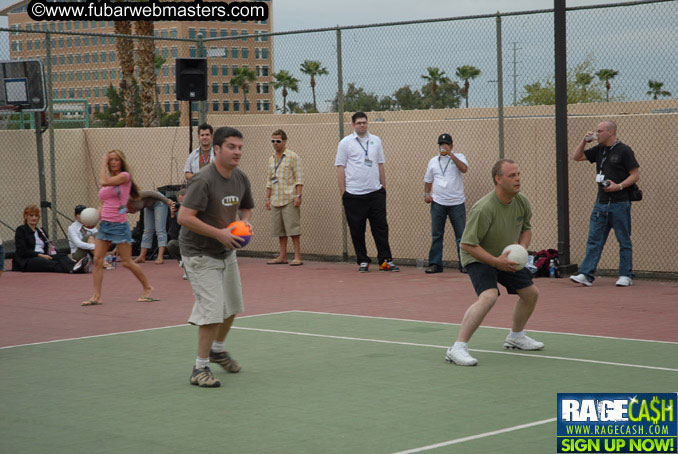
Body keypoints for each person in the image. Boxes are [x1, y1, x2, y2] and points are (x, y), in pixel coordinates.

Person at [445, 159, 543, 367]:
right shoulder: (484, 208)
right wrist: (496, 262)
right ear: (498, 179)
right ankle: (457, 348)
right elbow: (467, 244)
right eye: (511, 176)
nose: (517, 179)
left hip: (505, 257)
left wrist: (522, 250)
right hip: (479, 256)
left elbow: (526, 228)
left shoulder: (521, 201)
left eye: (518, 174)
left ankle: (516, 337)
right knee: (489, 296)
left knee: (530, 293)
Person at [178, 126, 254, 388]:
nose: (237, 152)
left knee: (232, 305)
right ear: (217, 150)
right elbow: (184, 218)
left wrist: (244, 224)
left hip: (226, 251)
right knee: (211, 311)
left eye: (240, 147)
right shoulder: (203, 180)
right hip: (199, 254)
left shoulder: (240, 178)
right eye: (232, 147)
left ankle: (218, 350)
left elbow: (246, 207)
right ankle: (199, 369)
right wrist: (220, 233)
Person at [569, 121, 640, 288]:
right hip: (601, 203)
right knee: (594, 240)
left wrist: (619, 186)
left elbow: (635, 175)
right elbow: (576, 157)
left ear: (610, 132)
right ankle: (586, 275)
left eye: (600, 131)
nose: (596, 133)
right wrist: (584, 141)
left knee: (623, 240)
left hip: (620, 203)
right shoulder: (599, 149)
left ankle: (625, 275)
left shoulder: (624, 151)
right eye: (596, 131)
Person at [81, 150, 156, 306]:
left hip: (119, 225)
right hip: (105, 225)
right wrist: (95, 218)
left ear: (121, 162)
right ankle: (96, 296)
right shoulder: (109, 180)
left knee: (127, 262)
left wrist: (102, 162)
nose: (113, 162)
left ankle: (148, 288)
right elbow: (103, 202)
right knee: (97, 259)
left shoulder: (124, 177)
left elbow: (103, 181)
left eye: (116, 159)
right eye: (111, 160)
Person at [335, 112, 399, 273]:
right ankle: (363, 261)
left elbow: (380, 164)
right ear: (353, 125)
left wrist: (383, 188)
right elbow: (340, 167)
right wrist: (344, 192)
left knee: (381, 228)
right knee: (357, 229)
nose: (362, 125)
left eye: (364, 122)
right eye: (359, 123)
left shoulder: (376, 140)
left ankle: (385, 260)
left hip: (375, 193)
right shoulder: (345, 143)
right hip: (354, 195)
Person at [424, 133, 468, 274]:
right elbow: (428, 179)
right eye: (441, 144)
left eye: (446, 144)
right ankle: (435, 264)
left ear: (452, 145)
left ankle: (464, 264)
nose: (443, 147)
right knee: (437, 235)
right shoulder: (433, 161)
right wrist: (426, 194)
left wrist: (451, 155)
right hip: (438, 203)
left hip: (456, 203)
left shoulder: (459, 157)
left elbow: (464, 169)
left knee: (461, 235)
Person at [265, 129, 304, 266]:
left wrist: (298, 195)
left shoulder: (293, 157)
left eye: (278, 141)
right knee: (279, 230)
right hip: (276, 199)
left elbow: (299, 178)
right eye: (273, 141)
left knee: (293, 229)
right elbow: (269, 180)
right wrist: (268, 198)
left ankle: (297, 256)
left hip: (289, 198)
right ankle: (282, 256)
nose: (275, 143)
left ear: (285, 141)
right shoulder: (271, 159)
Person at [13, 204, 88, 274]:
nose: (34, 218)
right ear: (26, 216)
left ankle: (75, 265)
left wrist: (65, 258)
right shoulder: (21, 230)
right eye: (31, 216)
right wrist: (40, 255)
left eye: (36, 216)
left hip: (43, 256)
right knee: (51, 263)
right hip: (28, 260)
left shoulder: (41, 231)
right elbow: (22, 251)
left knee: (62, 256)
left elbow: (50, 246)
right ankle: (73, 269)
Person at [133, 191, 175, 265]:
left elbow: (151, 193)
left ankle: (160, 256)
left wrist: (167, 201)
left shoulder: (134, 196)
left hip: (160, 202)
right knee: (147, 230)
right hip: (148, 206)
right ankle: (142, 256)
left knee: (160, 230)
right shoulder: (121, 205)